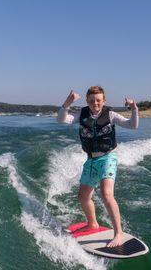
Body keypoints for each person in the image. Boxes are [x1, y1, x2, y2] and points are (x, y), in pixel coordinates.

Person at [57, 86, 139, 247]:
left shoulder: (111, 115)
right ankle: (92, 223)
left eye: (98, 100)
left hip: (107, 158)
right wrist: (68, 102)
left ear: (104, 101)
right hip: (91, 160)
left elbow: (132, 125)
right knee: (83, 196)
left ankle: (119, 233)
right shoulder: (82, 114)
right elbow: (61, 119)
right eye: (92, 100)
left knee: (107, 194)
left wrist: (134, 109)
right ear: (87, 101)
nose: (95, 103)